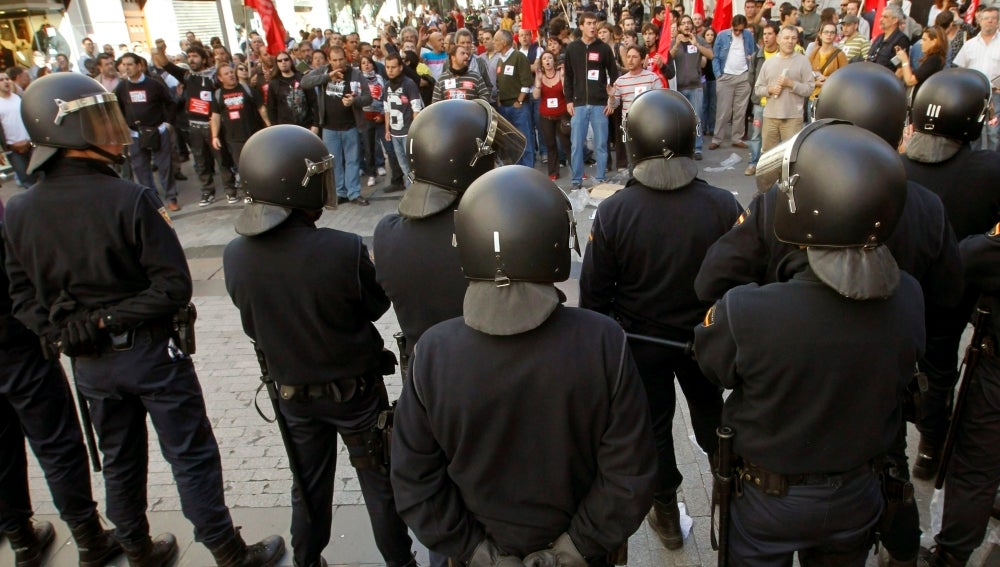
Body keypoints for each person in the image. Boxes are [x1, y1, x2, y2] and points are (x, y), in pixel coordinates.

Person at [5, 72, 285, 567]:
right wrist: (104, 319)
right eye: (96, 121)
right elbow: (173, 287)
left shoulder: (20, 210)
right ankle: (226, 551)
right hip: (150, 353)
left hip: (91, 362)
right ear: (67, 132)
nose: (112, 130)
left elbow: (21, 295)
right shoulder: (129, 198)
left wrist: (66, 330)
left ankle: (136, 548)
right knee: (190, 455)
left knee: (120, 459)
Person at [391, 164, 657, 565]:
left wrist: (478, 553)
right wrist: (572, 549)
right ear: (554, 240)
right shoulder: (602, 340)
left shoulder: (433, 352)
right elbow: (630, 473)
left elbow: (414, 480)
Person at [695, 121, 925, 566]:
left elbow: (712, 363)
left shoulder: (749, 311)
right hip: (859, 492)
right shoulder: (909, 297)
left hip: (769, 500)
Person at [223, 125, 416, 567]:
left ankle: (307, 561)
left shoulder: (235, 255)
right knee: (379, 485)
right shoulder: (342, 249)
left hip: (293, 395)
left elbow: (254, 325)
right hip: (357, 394)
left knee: (307, 489)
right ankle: (400, 563)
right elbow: (374, 305)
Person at [580, 89, 740, 551]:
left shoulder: (614, 212)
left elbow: (594, 296)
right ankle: (726, 497)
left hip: (640, 343)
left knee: (652, 429)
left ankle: (666, 514)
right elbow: (742, 283)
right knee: (714, 417)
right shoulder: (724, 205)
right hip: (703, 342)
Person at [0, 199, 123, 567]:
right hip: (15, 344)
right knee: (56, 443)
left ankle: (22, 538)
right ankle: (87, 537)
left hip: (16, 341)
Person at [901, 69, 1000, 486]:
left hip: (898, 292)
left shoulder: (892, 164)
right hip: (952, 296)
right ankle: (929, 447)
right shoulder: (990, 169)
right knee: (938, 372)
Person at [920, 226, 1000, 567]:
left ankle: (951, 554)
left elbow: (962, 269)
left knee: (975, 469)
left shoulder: (984, 253)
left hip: (995, 375)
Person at [155, 44, 238, 207]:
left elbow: (227, 77)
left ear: (204, 59)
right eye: (190, 56)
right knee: (200, 162)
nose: (192, 59)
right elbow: (166, 64)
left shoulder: (214, 77)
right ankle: (207, 192)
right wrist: (160, 50)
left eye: (195, 56)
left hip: (213, 125)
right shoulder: (187, 76)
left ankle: (230, 190)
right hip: (194, 127)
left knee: (222, 160)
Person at [301, 46, 372, 206]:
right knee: (334, 162)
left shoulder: (355, 74)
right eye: (334, 60)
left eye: (341, 59)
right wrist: (327, 77)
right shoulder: (323, 71)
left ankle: (354, 193)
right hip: (329, 127)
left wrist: (354, 101)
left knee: (353, 160)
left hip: (350, 126)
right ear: (329, 60)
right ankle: (340, 192)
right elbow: (304, 82)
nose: (338, 63)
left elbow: (368, 98)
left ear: (346, 58)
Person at [115, 52, 180, 211]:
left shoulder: (154, 84)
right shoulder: (122, 87)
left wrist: (168, 123)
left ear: (139, 65)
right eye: (124, 65)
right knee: (141, 168)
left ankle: (171, 197)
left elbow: (170, 103)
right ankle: (152, 200)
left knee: (165, 166)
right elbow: (118, 109)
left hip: (157, 131)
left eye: (130, 64)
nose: (127, 68)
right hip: (135, 134)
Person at [564, 12, 618, 188]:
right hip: (578, 104)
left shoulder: (604, 48)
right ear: (581, 26)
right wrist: (569, 101)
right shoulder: (572, 48)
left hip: (600, 103)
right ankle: (576, 180)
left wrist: (611, 99)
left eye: (595, 23)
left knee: (601, 144)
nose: (593, 26)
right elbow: (568, 76)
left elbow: (614, 75)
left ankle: (601, 178)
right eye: (589, 23)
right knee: (576, 145)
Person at [210, 63, 269, 202]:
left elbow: (261, 108)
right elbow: (215, 116)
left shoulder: (246, 89)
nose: (230, 75)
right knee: (242, 168)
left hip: (253, 135)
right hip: (234, 139)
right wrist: (214, 136)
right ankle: (250, 194)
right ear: (220, 78)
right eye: (226, 73)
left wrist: (268, 125)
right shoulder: (218, 95)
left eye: (231, 72)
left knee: (259, 165)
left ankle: (264, 191)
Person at [754, 26, 814, 152]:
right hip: (770, 116)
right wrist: (769, 90)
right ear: (779, 39)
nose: (790, 41)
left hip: (793, 117)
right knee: (768, 155)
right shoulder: (769, 63)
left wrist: (791, 84)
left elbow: (809, 89)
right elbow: (758, 89)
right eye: (786, 38)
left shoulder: (803, 61)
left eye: (793, 38)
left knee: (790, 155)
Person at [952, 6, 1000, 151]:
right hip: (974, 95)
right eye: (986, 18)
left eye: (993, 19)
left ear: (998, 22)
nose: (989, 22)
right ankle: (975, 165)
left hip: (996, 95)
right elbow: (959, 70)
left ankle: (993, 168)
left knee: (993, 132)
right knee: (974, 131)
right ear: (979, 20)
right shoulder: (969, 45)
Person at [670, 15, 714, 160]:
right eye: (683, 23)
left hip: (695, 86)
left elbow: (711, 55)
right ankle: (683, 148)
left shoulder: (699, 40)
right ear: (679, 27)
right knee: (681, 120)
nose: (687, 26)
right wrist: (676, 45)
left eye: (689, 23)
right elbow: (666, 59)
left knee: (697, 118)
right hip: (679, 87)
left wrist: (697, 45)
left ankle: (698, 148)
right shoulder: (673, 42)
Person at [710, 15, 756, 151]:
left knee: (740, 111)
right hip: (726, 77)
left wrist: (750, 66)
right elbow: (715, 57)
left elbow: (753, 52)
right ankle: (717, 139)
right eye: (735, 29)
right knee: (723, 111)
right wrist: (718, 75)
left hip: (743, 76)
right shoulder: (722, 36)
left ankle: (737, 138)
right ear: (731, 26)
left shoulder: (748, 35)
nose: (737, 32)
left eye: (740, 30)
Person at [492, 29, 535, 168]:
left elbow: (526, 81)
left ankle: (527, 169)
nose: (494, 43)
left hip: (518, 107)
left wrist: (520, 100)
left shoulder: (519, 57)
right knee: (510, 141)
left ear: (504, 42)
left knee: (524, 138)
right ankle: (515, 168)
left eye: (496, 40)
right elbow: (499, 83)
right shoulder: (500, 60)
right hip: (504, 106)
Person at [382, 53, 422, 189]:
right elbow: (386, 109)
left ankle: (414, 188)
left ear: (400, 67)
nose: (390, 70)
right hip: (395, 132)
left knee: (412, 164)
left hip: (407, 132)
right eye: (387, 67)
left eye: (393, 67)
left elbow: (416, 108)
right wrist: (387, 129)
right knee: (403, 165)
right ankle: (411, 186)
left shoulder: (409, 84)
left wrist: (414, 131)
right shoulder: (386, 85)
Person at [533, 51, 572, 180]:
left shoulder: (560, 74)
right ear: (542, 63)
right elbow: (535, 96)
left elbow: (567, 93)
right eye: (545, 59)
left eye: (550, 58)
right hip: (546, 117)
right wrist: (538, 81)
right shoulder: (539, 76)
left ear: (553, 61)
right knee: (551, 145)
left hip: (561, 115)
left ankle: (577, 170)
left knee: (567, 143)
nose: (547, 60)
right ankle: (553, 172)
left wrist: (563, 77)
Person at [0, 73, 38, 188]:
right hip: (13, 149)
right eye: (1, 80)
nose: (6, 81)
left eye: (7, 79)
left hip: (30, 145)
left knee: (40, 175)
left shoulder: (19, 98)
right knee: (26, 181)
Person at [265, 50, 315, 129]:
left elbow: (314, 102)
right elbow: (271, 108)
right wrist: (274, 128)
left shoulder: (302, 78)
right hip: (284, 128)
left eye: (286, 59)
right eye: (280, 61)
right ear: (277, 64)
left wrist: (315, 125)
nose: (283, 62)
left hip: (306, 126)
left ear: (291, 61)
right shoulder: (273, 83)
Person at [895, 26, 946, 93]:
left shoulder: (934, 59)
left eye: (924, 40)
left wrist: (905, 60)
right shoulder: (933, 58)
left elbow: (910, 80)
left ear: (934, 41)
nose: (921, 43)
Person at [808, 23, 847, 102]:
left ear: (835, 35)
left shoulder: (840, 54)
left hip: (831, 98)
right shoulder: (814, 52)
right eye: (826, 32)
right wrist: (816, 83)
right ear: (820, 34)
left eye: (832, 32)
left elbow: (845, 77)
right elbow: (806, 75)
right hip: (813, 97)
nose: (829, 35)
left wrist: (827, 78)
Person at [867, 4, 911, 69]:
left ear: (895, 20)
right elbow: (869, 57)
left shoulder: (901, 40)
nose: (881, 20)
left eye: (885, 17)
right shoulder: (879, 37)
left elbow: (900, 69)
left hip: (885, 77)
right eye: (881, 16)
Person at [701, 28, 718, 139]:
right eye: (707, 34)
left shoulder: (717, 49)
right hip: (703, 79)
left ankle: (712, 128)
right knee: (704, 104)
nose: (710, 37)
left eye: (712, 34)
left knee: (713, 105)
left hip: (714, 79)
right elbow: (702, 65)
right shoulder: (701, 48)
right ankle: (702, 128)